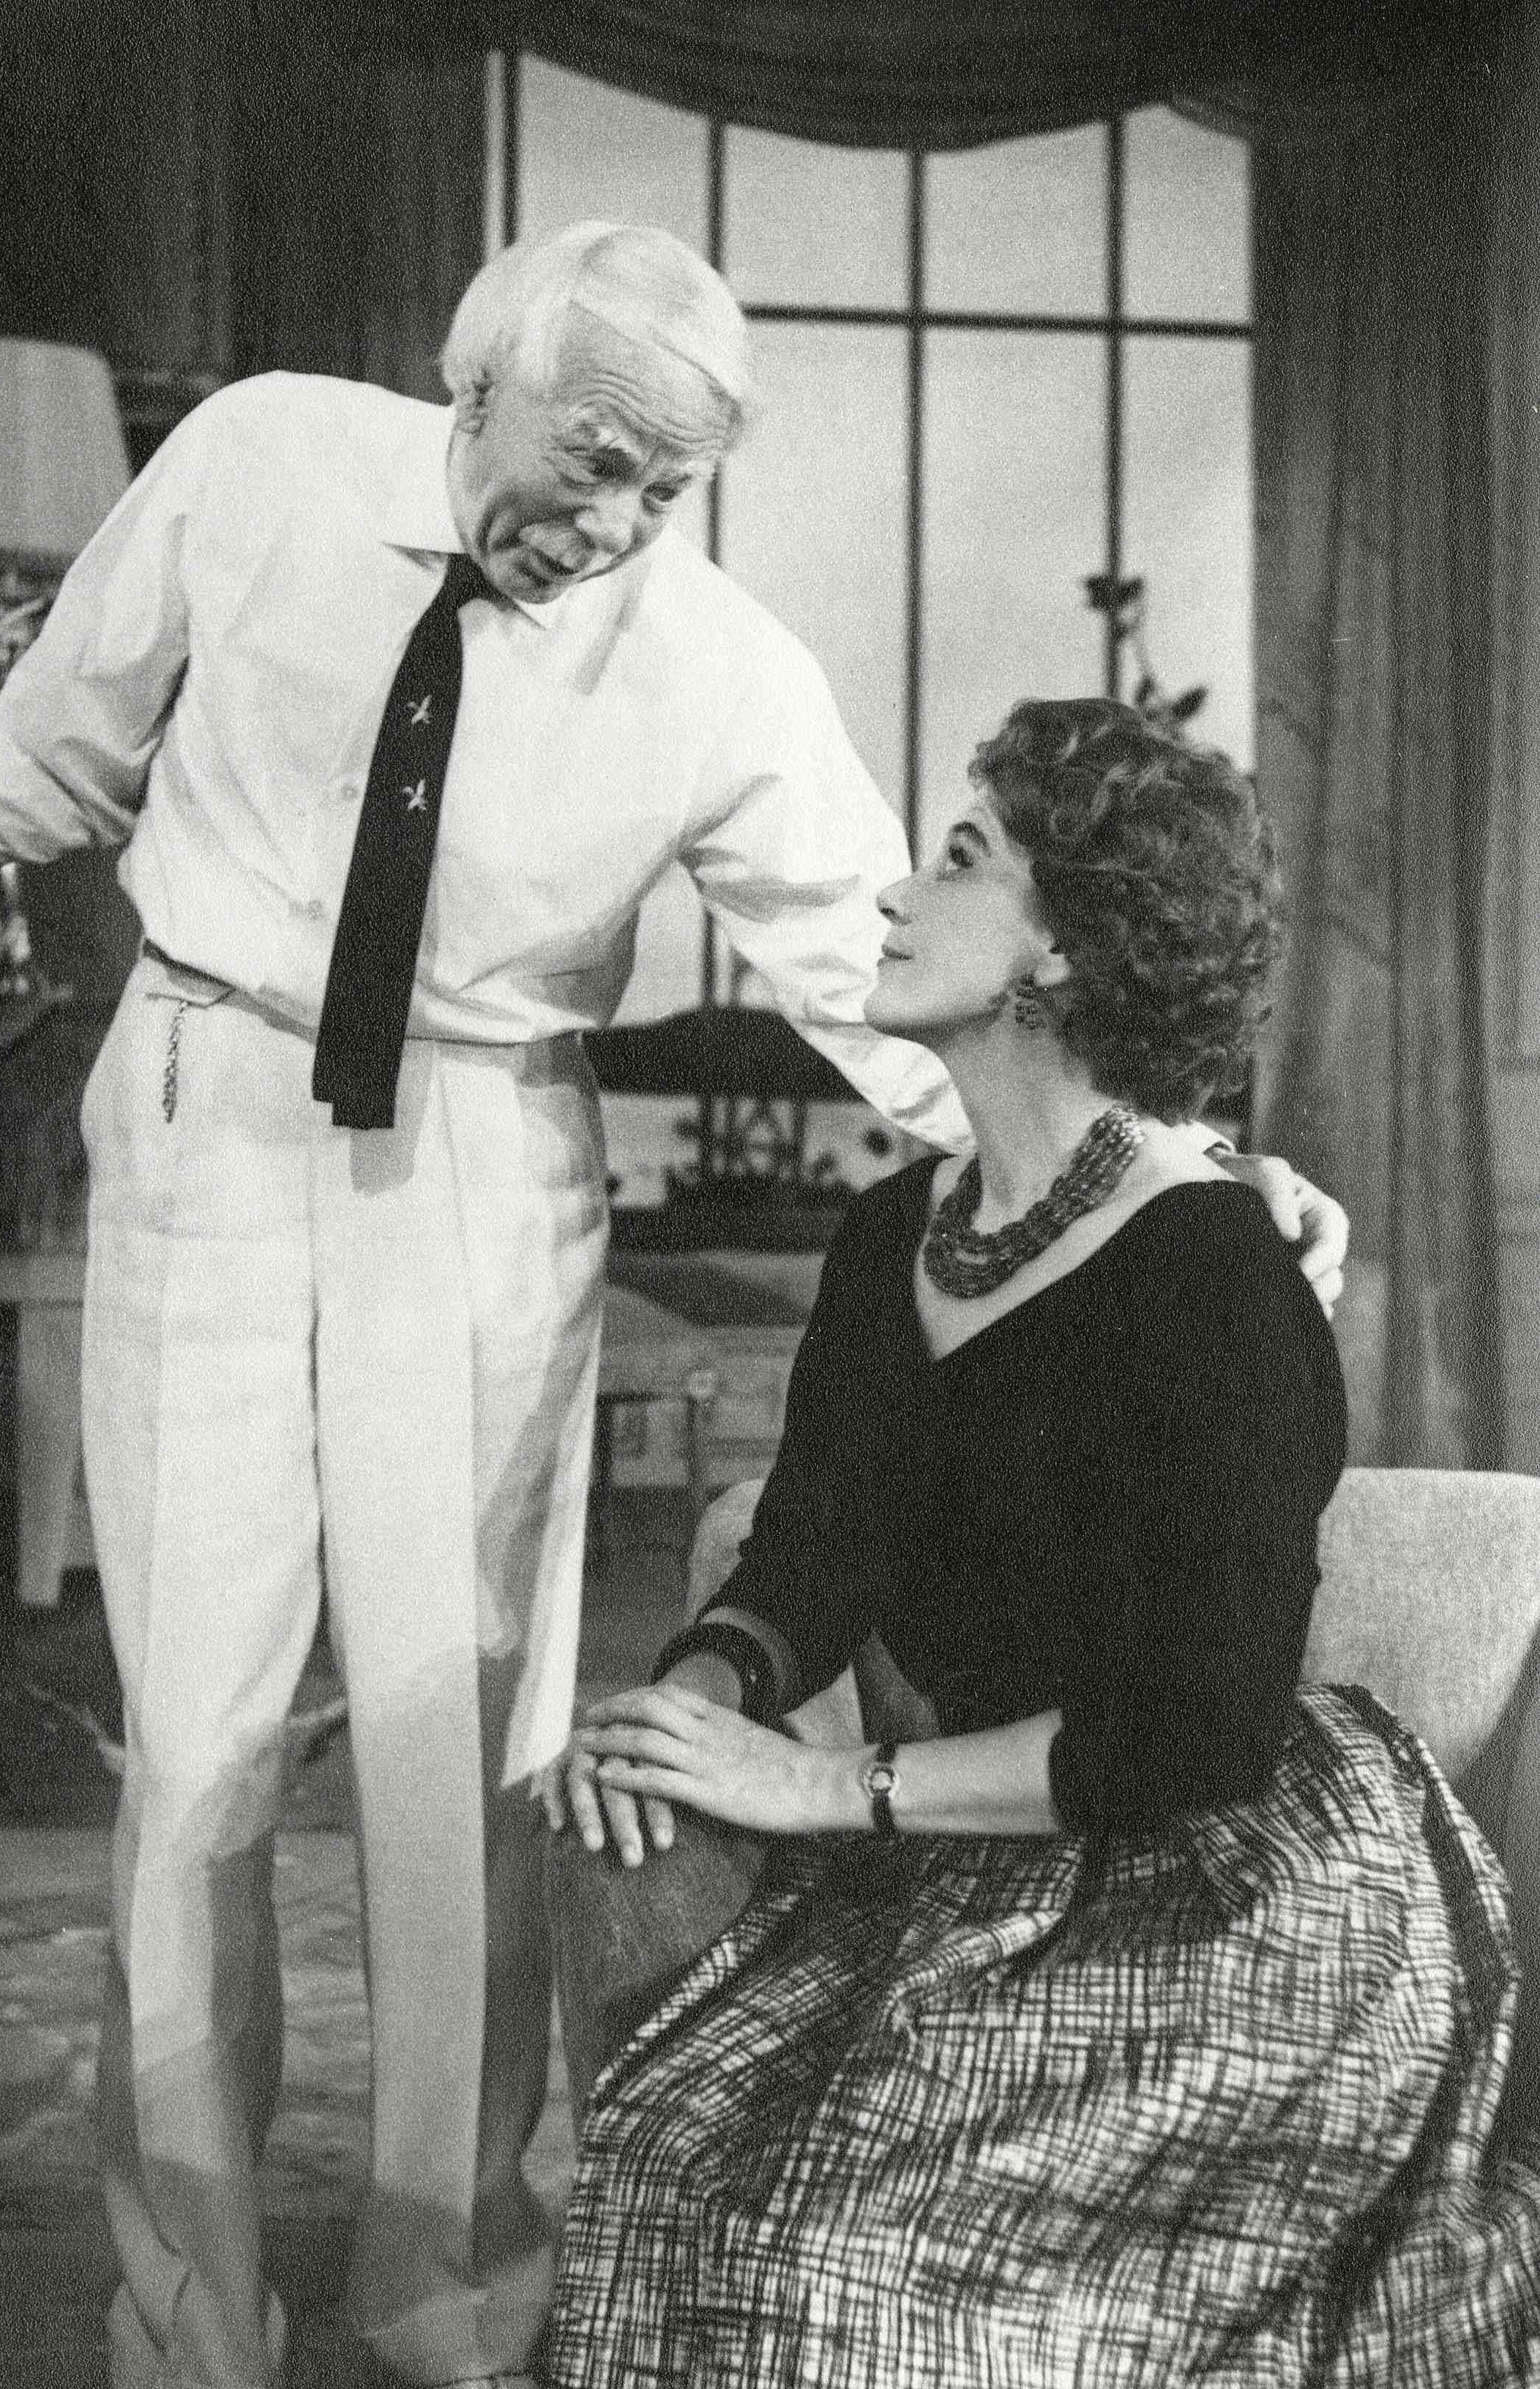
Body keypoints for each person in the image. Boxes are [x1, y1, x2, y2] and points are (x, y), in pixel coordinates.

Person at [0, 233, 1346, 2389]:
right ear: (480, 381)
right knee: (191, 1760)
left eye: (670, 485)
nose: (621, 519)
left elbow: (908, 988)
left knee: (460, 1758)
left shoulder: (716, 666)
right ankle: (186, 2325)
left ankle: (451, 2310)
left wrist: (1183, 1177)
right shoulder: (256, 464)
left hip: (479, 1151)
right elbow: (54, 755)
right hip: (203, 1098)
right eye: (597, 457)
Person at [540, 698, 1540, 2389]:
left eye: (958, 858)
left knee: (860, 2275)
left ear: (1063, 946)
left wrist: (825, 1788)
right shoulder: (892, 1237)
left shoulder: (1219, 1276)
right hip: (981, 1864)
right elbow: (809, 1554)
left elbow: (1196, 1732)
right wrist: (694, 1705)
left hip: (1241, 1895)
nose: (893, 894)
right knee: (686, 2186)